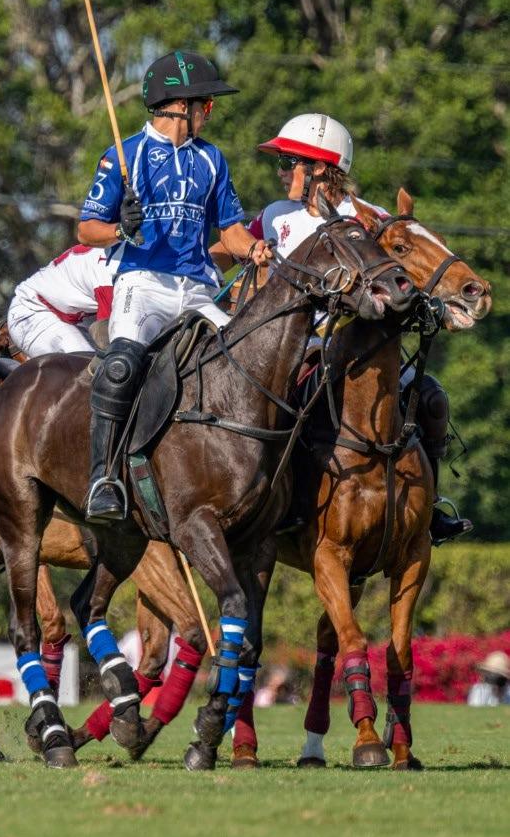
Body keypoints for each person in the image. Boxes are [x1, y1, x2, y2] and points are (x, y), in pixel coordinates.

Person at [253, 113, 469, 544]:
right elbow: (231, 247)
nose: (280, 173)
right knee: (281, 406)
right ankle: (278, 502)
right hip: (299, 343)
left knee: (431, 399)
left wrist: (436, 305)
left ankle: (431, 507)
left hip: (360, 347)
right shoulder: (275, 215)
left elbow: (408, 274)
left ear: (319, 168)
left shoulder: (369, 218)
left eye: (288, 162)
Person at [78, 50, 273, 521]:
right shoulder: (124, 155)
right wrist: (121, 228)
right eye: (207, 103)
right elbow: (86, 230)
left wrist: (252, 248)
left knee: (253, 360)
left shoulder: (211, 159)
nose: (211, 112)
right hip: (143, 283)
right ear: (182, 106)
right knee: (121, 365)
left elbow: (230, 231)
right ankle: (104, 478)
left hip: (198, 290)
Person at [4, 244, 115, 358]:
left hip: (60, 316)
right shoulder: (108, 279)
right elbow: (107, 335)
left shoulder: (110, 251)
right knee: (96, 361)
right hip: (31, 312)